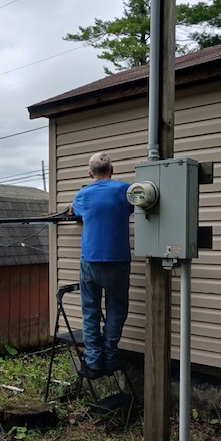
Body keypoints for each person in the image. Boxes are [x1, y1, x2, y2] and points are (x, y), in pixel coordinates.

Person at [70, 152, 133, 379]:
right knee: (117, 310)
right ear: (112, 170)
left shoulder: (83, 194)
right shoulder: (125, 191)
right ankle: (111, 355)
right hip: (118, 261)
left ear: (90, 173)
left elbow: (73, 211)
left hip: (90, 261)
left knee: (91, 312)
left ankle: (95, 363)